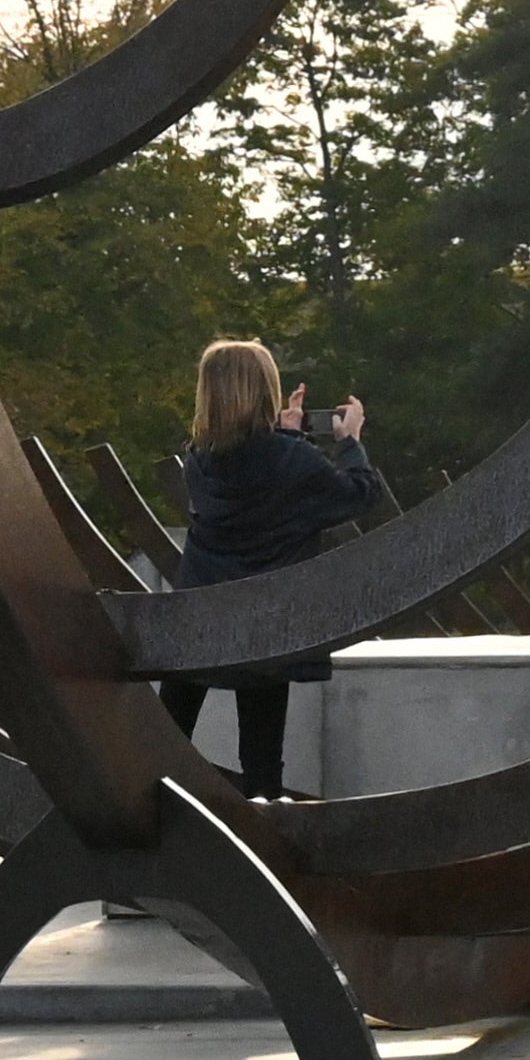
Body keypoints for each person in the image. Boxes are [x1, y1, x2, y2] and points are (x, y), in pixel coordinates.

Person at [155, 336, 385, 800]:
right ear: (265, 390)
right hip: (266, 622)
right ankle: (263, 847)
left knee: (167, 739)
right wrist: (350, 442)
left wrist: (289, 433)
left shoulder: (198, 463)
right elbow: (357, 494)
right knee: (262, 761)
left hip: (199, 617)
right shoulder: (292, 460)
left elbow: (256, 475)